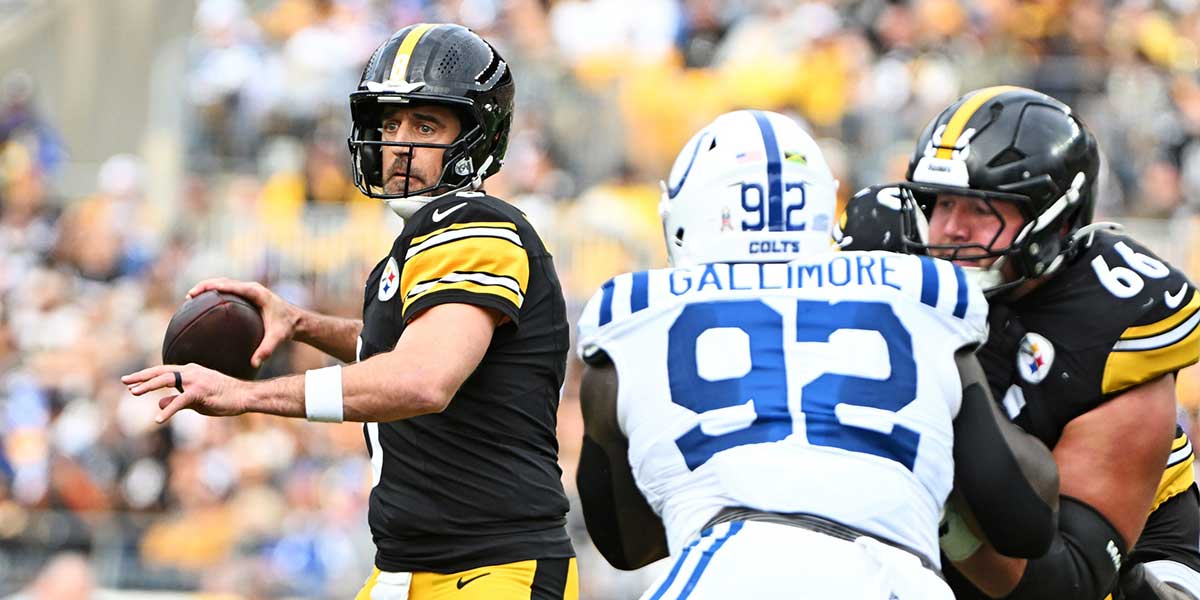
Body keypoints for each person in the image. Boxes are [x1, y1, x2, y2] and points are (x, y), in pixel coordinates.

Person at [123, 23, 578, 600]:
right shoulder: (419, 241)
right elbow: (402, 350)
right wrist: (304, 324)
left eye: (426, 124)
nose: (399, 145)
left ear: (478, 134)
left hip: (490, 569)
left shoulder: (477, 226)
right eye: (389, 125)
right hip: (407, 569)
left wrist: (248, 396)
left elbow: (422, 379)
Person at [574, 109, 1061, 599]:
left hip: (725, 572)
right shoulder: (922, 296)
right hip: (893, 578)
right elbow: (1025, 519)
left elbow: (625, 545)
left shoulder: (630, 316)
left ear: (685, 217)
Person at [843, 85, 1200, 599]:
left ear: (1055, 220)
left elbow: (1067, 582)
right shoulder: (890, 252)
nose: (947, 231)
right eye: (942, 203)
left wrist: (937, 500)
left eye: (982, 209)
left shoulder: (1114, 318)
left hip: (1121, 554)